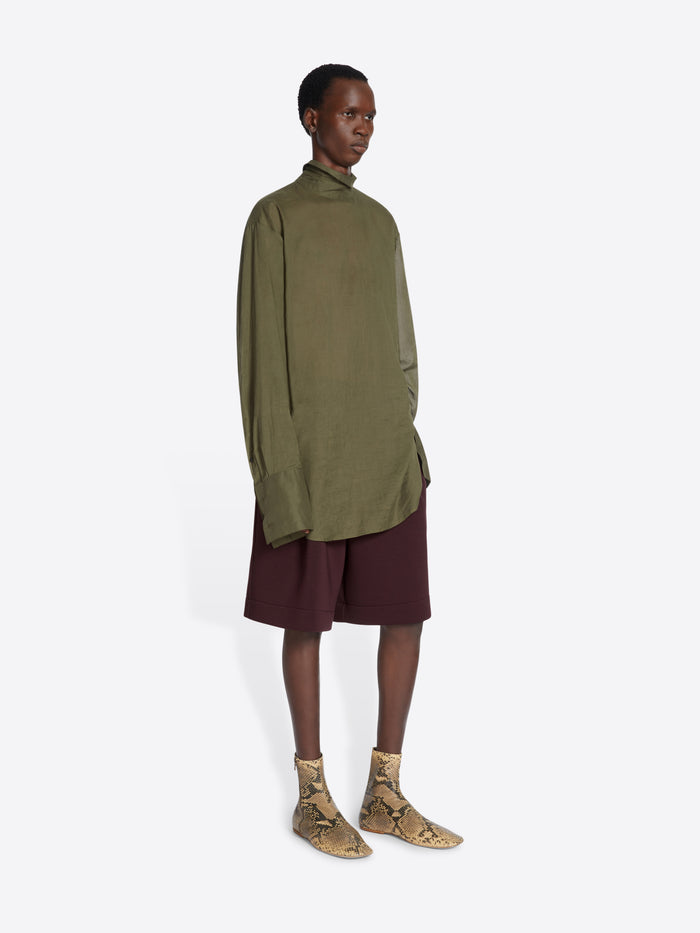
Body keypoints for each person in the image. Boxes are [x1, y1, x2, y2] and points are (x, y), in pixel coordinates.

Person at [236, 63, 462, 858]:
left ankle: (384, 793)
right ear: (311, 119)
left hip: (384, 454)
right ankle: (312, 797)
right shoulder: (275, 217)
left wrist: (404, 426)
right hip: (311, 459)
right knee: (306, 621)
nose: (362, 127)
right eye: (348, 113)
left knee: (406, 615)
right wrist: (277, 472)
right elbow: (260, 358)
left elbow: (403, 342)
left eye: (370, 115)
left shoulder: (380, 222)